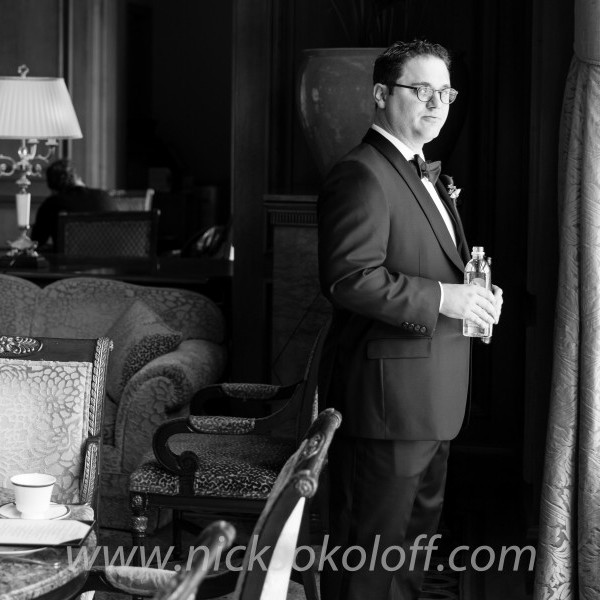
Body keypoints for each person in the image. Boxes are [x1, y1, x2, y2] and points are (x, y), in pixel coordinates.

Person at [317, 40, 503, 600]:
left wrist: (475, 298)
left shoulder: (423, 174)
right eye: (421, 90)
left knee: (407, 562)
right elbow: (349, 278)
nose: (436, 103)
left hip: (431, 402)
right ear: (381, 94)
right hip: (386, 405)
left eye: (444, 92)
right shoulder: (362, 173)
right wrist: (444, 298)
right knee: (369, 564)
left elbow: (435, 268)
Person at [31, 159, 113, 249]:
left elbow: (36, 242)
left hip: (70, 258)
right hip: (110, 256)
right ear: (78, 178)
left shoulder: (51, 204)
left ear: (53, 189)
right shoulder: (105, 197)